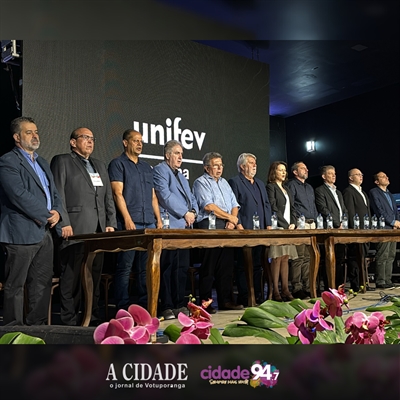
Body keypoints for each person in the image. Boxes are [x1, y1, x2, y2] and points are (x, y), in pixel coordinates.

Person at [50, 127, 117, 326]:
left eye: (92, 138)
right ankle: (69, 319)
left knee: (94, 276)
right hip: (74, 229)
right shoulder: (62, 161)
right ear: (73, 142)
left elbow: (107, 198)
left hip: (98, 232)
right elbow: (57, 193)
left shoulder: (99, 165)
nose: (90, 141)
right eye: (85, 138)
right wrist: (64, 222)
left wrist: (110, 223)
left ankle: (91, 316)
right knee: (71, 276)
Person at [0, 116, 63, 325]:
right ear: (17, 137)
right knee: (15, 285)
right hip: (20, 231)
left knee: (42, 284)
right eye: (29, 132)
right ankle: (12, 329)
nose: (35, 135)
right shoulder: (8, 160)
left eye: (36, 131)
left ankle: (37, 328)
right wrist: (46, 214)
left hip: (44, 233)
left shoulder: (43, 161)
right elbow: (17, 194)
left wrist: (58, 213)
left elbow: (53, 193)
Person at [108, 129, 162, 311]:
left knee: (145, 267)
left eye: (141, 141)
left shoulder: (147, 167)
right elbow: (117, 193)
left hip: (149, 223)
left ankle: (144, 305)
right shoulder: (118, 164)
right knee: (125, 267)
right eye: (135, 140)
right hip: (131, 223)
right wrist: (127, 219)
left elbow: (153, 196)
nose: (139, 144)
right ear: (125, 143)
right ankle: (121, 307)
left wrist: (159, 220)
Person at [153, 140, 199, 320]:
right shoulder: (160, 170)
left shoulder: (181, 175)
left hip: (185, 228)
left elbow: (191, 198)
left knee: (181, 268)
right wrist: (185, 212)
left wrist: (194, 211)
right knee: (167, 268)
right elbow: (164, 195)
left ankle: (180, 304)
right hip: (170, 226)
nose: (180, 157)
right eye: (177, 153)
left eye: (182, 154)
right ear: (167, 155)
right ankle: (166, 306)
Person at [192, 152, 244, 313]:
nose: (220, 168)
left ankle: (226, 301)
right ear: (207, 168)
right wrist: (229, 217)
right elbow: (208, 206)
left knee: (226, 266)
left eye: (221, 165)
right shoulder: (200, 182)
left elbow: (234, 204)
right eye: (216, 165)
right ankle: (205, 303)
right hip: (209, 225)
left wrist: (232, 220)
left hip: (227, 225)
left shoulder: (224, 183)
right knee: (209, 266)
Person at [228, 153, 272, 305]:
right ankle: (245, 295)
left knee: (258, 264)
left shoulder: (259, 183)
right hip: (244, 229)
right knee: (243, 264)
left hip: (260, 230)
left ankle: (258, 295)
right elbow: (234, 204)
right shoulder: (235, 182)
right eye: (251, 163)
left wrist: (268, 225)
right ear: (242, 166)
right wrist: (238, 225)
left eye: (255, 163)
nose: (255, 165)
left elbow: (266, 204)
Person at [266, 161, 297, 302]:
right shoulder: (271, 187)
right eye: (280, 170)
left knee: (285, 258)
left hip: (288, 229)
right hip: (278, 227)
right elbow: (273, 207)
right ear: (274, 172)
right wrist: (285, 224)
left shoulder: (286, 189)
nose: (283, 173)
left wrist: (294, 223)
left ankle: (285, 288)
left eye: (285, 170)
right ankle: (275, 291)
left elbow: (293, 208)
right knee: (277, 258)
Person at [286, 161, 318, 299]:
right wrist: (296, 221)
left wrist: (316, 220)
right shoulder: (292, 185)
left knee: (308, 257)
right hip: (301, 223)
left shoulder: (309, 187)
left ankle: (308, 286)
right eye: (303, 168)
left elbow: (313, 206)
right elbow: (292, 205)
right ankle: (297, 287)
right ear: (295, 172)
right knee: (298, 258)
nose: (306, 170)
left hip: (312, 224)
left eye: (306, 168)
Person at [315, 165, 348, 288]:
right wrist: (336, 223)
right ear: (324, 176)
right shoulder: (320, 190)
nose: (334, 175)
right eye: (330, 173)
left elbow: (344, 209)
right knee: (329, 259)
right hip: (330, 229)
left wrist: (343, 222)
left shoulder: (338, 192)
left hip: (341, 228)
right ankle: (329, 286)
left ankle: (339, 286)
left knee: (339, 259)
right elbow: (323, 209)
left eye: (334, 173)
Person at [369, 171, 400, 289]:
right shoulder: (374, 192)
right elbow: (379, 210)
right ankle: (380, 280)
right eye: (383, 177)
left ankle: (388, 279)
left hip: (393, 228)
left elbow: (395, 211)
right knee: (383, 254)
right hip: (384, 227)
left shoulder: (390, 194)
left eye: (386, 176)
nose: (386, 177)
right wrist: (392, 222)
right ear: (377, 181)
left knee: (391, 255)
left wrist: (397, 223)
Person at [342, 168, 371, 291]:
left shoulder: (363, 192)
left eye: (361, 174)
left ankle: (364, 281)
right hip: (356, 230)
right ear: (350, 177)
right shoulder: (349, 191)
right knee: (355, 257)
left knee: (363, 257)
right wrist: (354, 228)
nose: (361, 176)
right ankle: (356, 283)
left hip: (366, 229)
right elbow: (350, 211)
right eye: (358, 174)